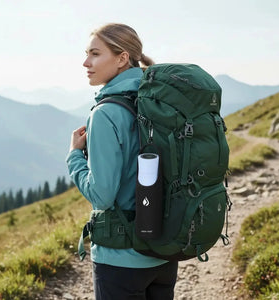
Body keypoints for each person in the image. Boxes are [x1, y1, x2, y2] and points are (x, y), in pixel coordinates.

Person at [66, 23, 178, 300]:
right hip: (164, 252)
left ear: (122, 58)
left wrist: (74, 157)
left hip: (121, 259)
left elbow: (102, 197)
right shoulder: (160, 100)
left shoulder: (106, 113)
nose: (85, 62)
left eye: (95, 53)